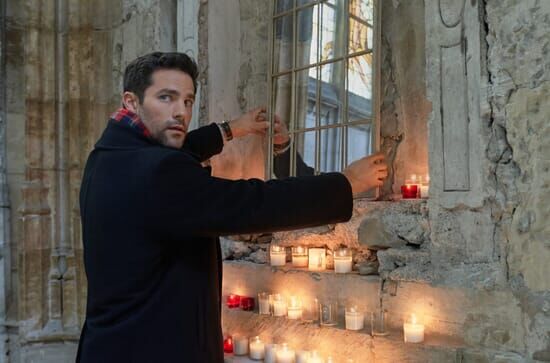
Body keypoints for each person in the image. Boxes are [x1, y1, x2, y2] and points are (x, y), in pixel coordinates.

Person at [76, 52, 387, 363]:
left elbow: (177, 149)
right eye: (166, 98)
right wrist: (346, 183)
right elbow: (253, 203)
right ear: (131, 102)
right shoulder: (157, 173)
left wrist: (232, 128)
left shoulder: (107, 156)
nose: (180, 112)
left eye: (187, 101)